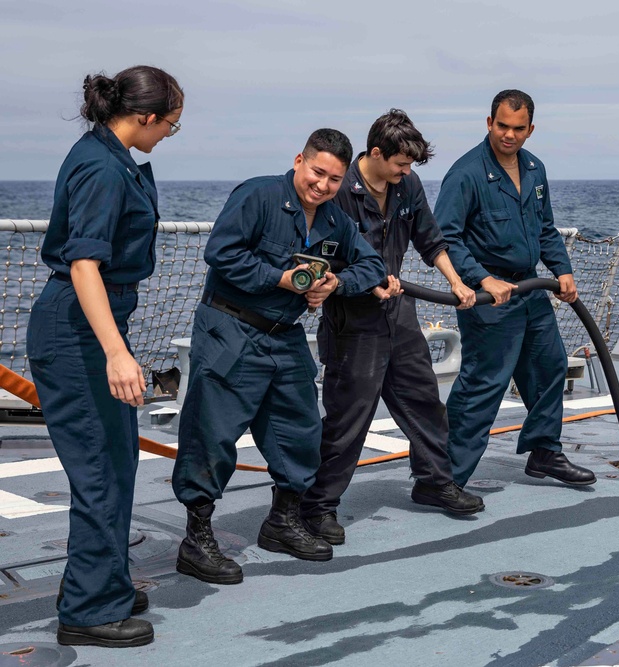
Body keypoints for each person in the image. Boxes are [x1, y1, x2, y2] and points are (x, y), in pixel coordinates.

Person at [171, 130, 385, 583]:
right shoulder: (259, 194)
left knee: (301, 430)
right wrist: (281, 279)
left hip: (284, 336)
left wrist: (335, 285)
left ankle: (282, 522)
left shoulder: (335, 220)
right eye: (317, 172)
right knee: (212, 435)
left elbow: (372, 266)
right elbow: (221, 253)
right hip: (230, 328)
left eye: (334, 179)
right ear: (299, 161)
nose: (323, 185)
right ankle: (196, 539)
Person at [27, 66, 183, 648]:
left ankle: (104, 580)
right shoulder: (101, 167)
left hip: (94, 324)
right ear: (145, 116)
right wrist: (118, 354)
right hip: (77, 332)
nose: (169, 133)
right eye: (170, 123)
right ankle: (89, 610)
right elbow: (84, 263)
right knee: (98, 472)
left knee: (116, 463)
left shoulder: (107, 154)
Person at [300, 111, 484, 544]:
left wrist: (457, 283)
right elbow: (323, 252)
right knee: (350, 417)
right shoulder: (339, 191)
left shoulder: (408, 186)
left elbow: (431, 241)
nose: (406, 173)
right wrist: (365, 282)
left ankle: (434, 482)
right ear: (377, 153)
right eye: (401, 164)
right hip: (352, 317)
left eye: (410, 167)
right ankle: (319, 506)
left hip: (399, 314)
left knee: (423, 400)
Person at [433, 89, 596, 488]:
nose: (509, 134)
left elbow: (544, 228)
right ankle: (444, 478)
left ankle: (544, 452)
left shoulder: (535, 169)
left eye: (517, 128)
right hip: (489, 296)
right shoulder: (466, 173)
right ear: (489, 123)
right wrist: (482, 279)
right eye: (502, 126)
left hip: (530, 288)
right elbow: (444, 238)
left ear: (530, 129)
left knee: (550, 365)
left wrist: (563, 270)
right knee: (484, 382)